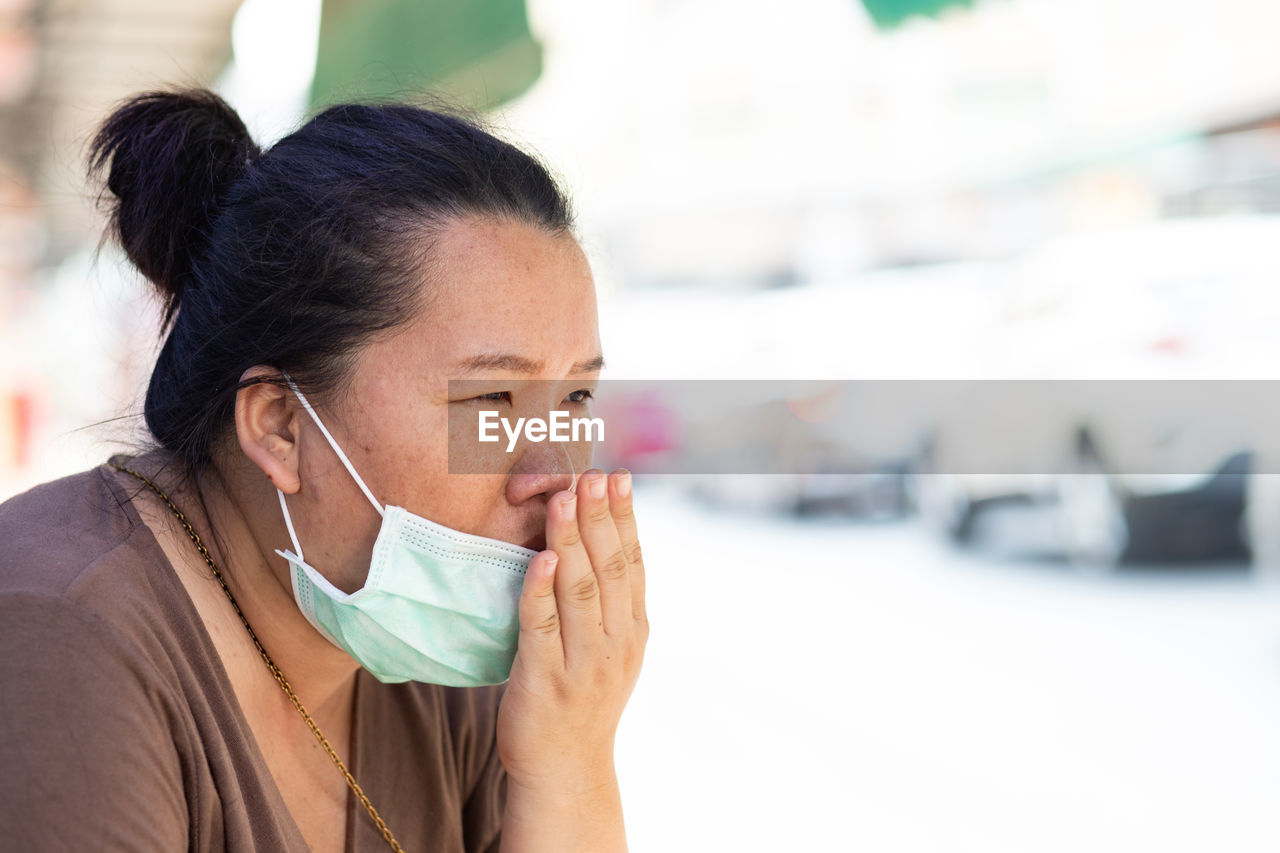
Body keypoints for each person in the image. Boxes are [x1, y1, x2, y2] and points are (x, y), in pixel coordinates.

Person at [0, 89, 647, 852]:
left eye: (573, 395)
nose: (555, 469)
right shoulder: (60, 637)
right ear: (280, 425)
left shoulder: (445, 666)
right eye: (492, 397)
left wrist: (571, 765)